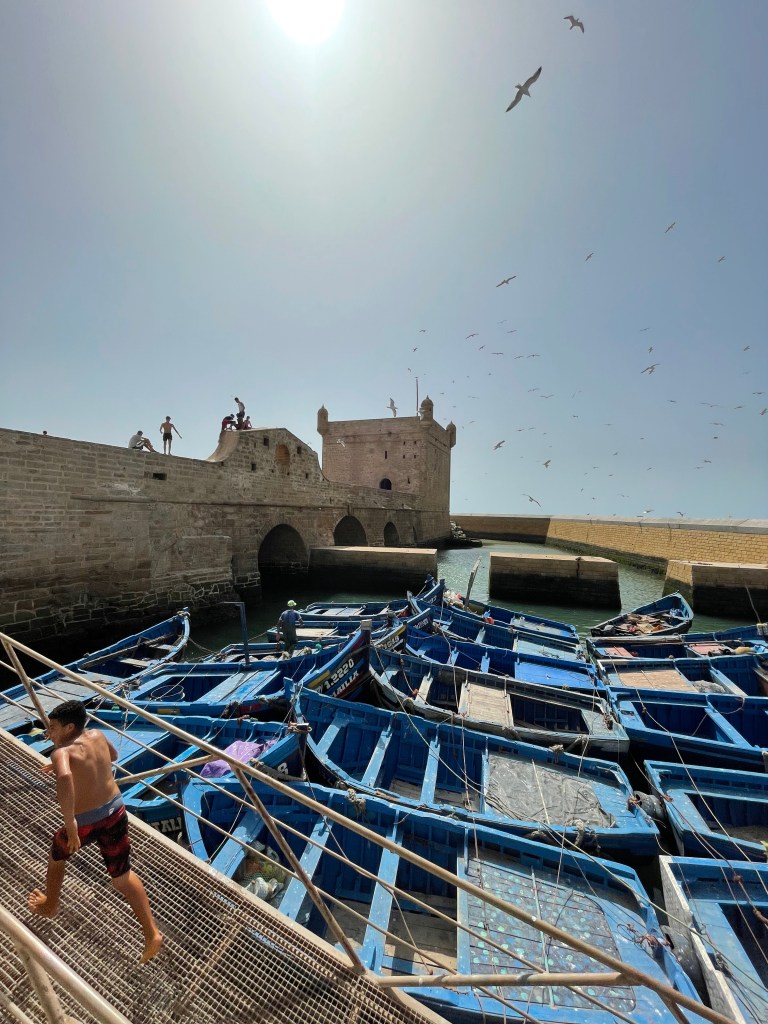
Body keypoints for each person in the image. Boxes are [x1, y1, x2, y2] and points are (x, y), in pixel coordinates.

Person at [27, 701, 164, 964]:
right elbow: (112, 756)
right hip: (116, 811)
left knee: (56, 856)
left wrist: (71, 825)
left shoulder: (61, 752)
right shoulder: (98, 734)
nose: (49, 733)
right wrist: (74, 763)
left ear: (69, 727)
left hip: (86, 822)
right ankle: (152, 933)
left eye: (53, 728)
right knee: (122, 877)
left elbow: (65, 779)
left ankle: (50, 904)